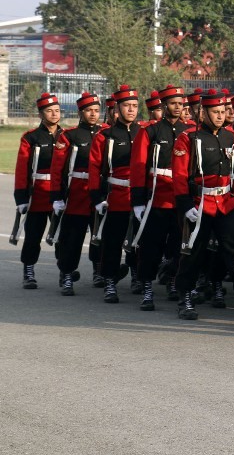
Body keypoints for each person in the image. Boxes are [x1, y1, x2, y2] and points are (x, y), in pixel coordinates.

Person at [171, 89, 234, 320]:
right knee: (193, 251)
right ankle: (185, 295)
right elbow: (180, 175)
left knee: (232, 247)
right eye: (216, 112)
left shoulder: (230, 136)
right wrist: (185, 205)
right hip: (199, 203)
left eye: (223, 112)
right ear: (203, 112)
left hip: (226, 202)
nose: (221, 116)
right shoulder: (189, 137)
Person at [130, 84, 189, 309]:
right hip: (156, 198)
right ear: (164, 106)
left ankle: (173, 281)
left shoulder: (188, 131)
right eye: (173, 104)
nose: (177, 107)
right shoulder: (151, 132)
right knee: (150, 247)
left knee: (178, 246)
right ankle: (147, 288)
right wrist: (137, 200)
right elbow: (138, 167)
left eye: (180, 104)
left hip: (180, 198)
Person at [88, 86, 141, 304]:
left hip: (139, 196)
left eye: (135, 106)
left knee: (139, 239)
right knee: (113, 240)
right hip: (115, 196)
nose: (131, 110)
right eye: (127, 106)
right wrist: (97, 198)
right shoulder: (105, 136)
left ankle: (138, 276)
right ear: (117, 109)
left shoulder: (144, 132)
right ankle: (110, 280)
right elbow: (94, 168)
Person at [50, 92, 104, 295]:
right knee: (71, 239)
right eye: (89, 110)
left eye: (97, 110)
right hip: (77, 195)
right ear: (81, 112)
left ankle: (99, 271)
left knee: (100, 236)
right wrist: (56, 197)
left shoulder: (105, 133)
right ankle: (66, 274)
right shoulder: (69, 136)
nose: (93, 114)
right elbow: (57, 169)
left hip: (98, 195)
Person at [13, 92, 64, 289]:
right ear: (41, 114)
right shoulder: (31, 137)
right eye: (49, 111)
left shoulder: (66, 136)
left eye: (57, 110)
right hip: (38, 195)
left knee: (61, 235)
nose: (54, 114)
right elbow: (22, 169)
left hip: (58, 194)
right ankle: (28, 270)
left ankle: (64, 270)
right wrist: (21, 197)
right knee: (33, 235)